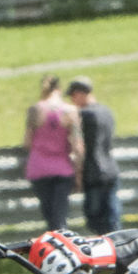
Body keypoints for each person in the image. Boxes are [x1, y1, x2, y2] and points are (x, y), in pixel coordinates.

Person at [23, 74, 83, 231]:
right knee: (60, 215)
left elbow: (27, 142)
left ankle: (52, 242)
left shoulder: (35, 110)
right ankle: (61, 242)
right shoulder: (70, 111)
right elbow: (77, 146)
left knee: (49, 214)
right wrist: (78, 172)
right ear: (59, 89)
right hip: (62, 169)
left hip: (39, 168)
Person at [67, 77, 119, 234]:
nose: (72, 100)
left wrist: (78, 174)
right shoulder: (106, 111)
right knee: (112, 215)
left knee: (95, 219)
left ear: (79, 94)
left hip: (93, 171)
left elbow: (82, 147)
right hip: (110, 168)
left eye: (73, 96)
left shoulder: (84, 115)